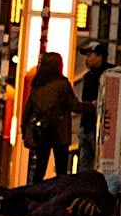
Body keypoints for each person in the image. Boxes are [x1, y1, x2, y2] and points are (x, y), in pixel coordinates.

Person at [21, 51, 81, 183]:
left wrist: (24, 130)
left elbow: (28, 110)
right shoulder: (63, 84)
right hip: (60, 132)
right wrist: (91, 106)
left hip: (41, 131)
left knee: (39, 168)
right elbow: (74, 105)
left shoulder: (37, 85)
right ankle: (58, 197)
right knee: (61, 170)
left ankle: (34, 195)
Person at [74, 39, 109, 171]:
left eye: (90, 55)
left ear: (100, 56)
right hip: (87, 127)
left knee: (97, 164)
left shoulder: (109, 73)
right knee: (85, 164)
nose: (86, 59)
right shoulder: (88, 76)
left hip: (100, 128)